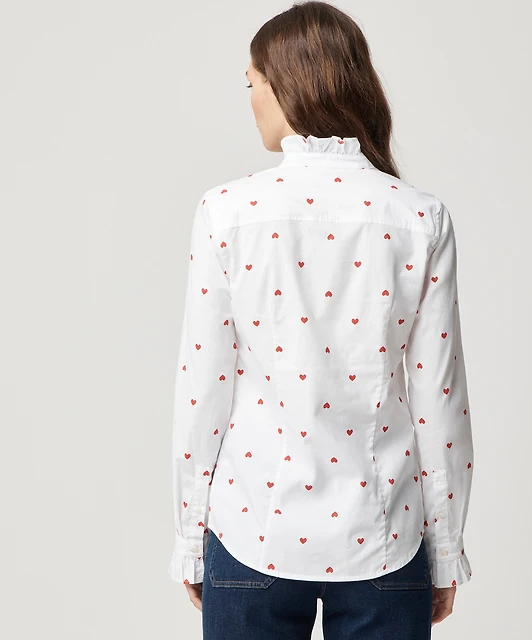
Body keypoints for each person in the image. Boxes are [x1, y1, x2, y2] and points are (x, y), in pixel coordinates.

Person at [167, 2, 474, 638]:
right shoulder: (418, 218)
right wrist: (445, 550)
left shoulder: (228, 212)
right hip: (385, 533)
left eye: (251, 84)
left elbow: (204, 390)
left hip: (252, 525)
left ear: (285, 85)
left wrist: (191, 538)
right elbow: (439, 402)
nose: (251, 100)